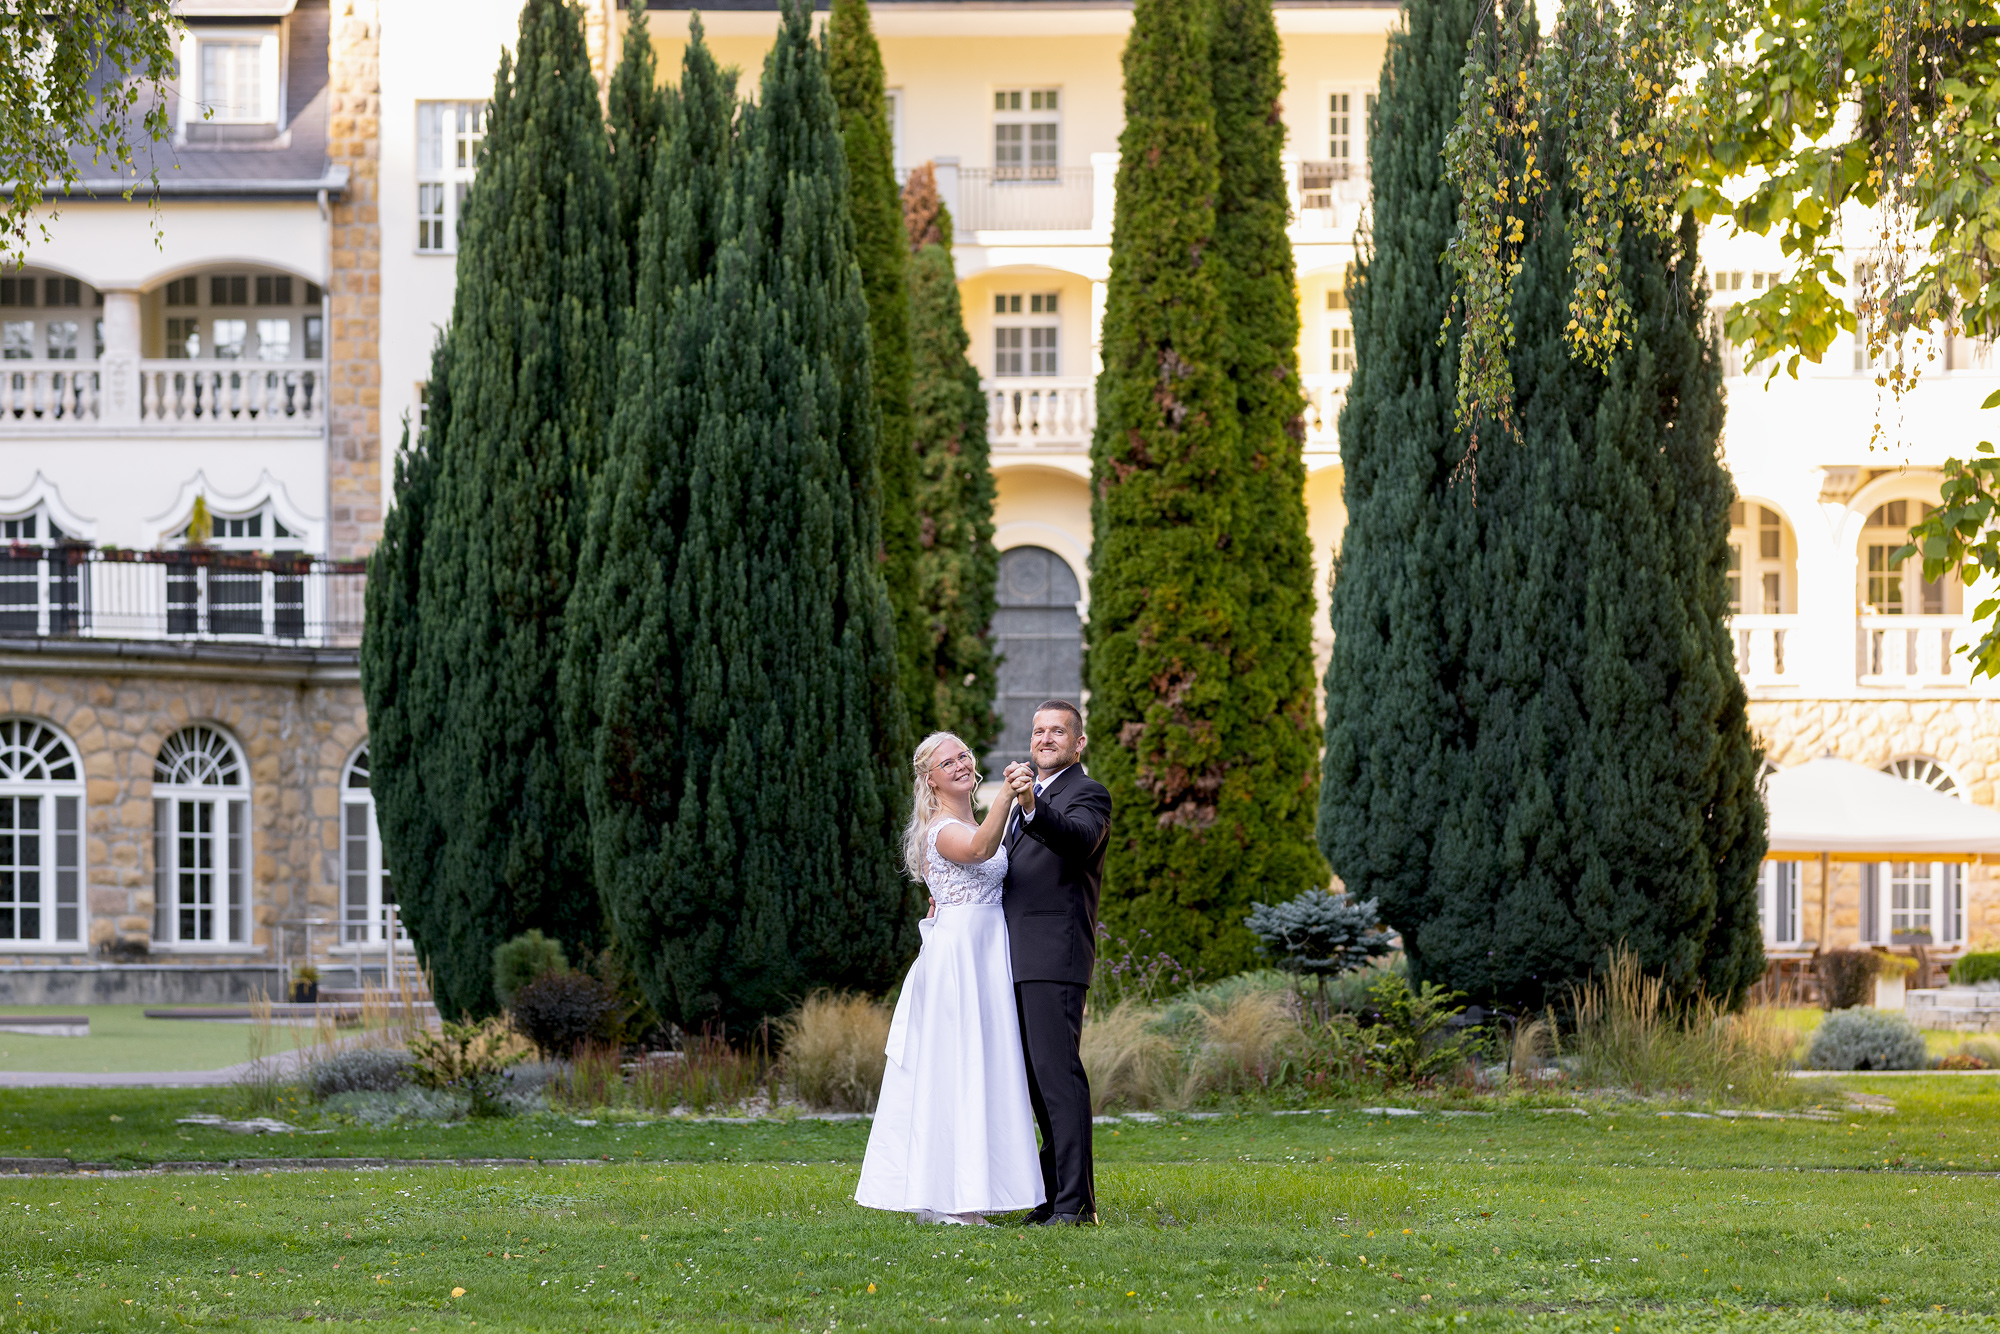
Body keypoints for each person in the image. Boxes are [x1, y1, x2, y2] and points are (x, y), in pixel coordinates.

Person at [854, 732, 1045, 1225]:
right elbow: (979, 851)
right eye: (947, 762)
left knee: (984, 1067)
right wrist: (1009, 794)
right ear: (931, 779)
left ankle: (976, 1191)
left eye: (963, 755)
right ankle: (949, 1199)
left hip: (987, 952)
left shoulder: (973, 820)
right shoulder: (941, 829)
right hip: (959, 960)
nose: (960, 764)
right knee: (957, 1069)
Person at [1000, 699, 1112, 1226]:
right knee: (1038, 1087)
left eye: (1058, 731)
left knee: (1059, 1080)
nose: (1045, 739)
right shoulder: (1028, 799)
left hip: (1053, 955)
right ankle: (1052, 1197)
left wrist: (1029, 806)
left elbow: (1078, 840)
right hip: (1015, 958)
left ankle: (1077, 1205)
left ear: (1078, 743)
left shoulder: (1087, 794)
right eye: (1038, 731)